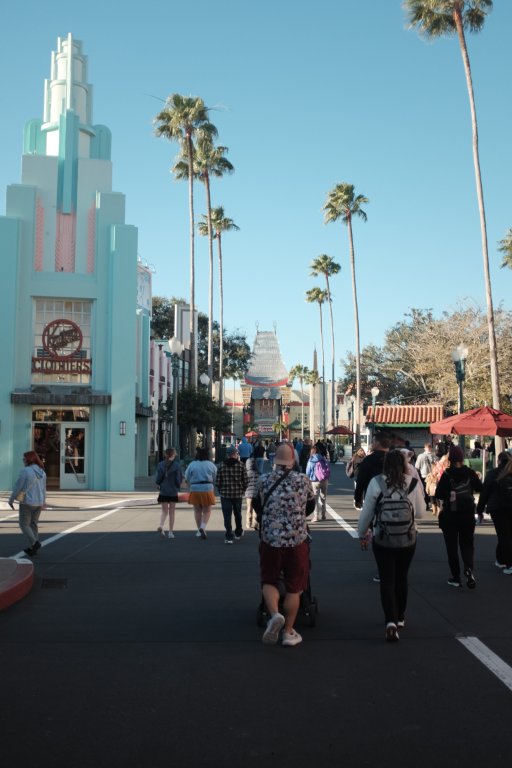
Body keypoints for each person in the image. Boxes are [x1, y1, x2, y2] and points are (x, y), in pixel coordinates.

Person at [358, 449, 426, 641]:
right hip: (407, 539)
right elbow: (420, 513)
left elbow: (367, 513)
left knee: (387, 579)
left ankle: (390, 621)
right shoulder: (412, 483)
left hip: (383, 538)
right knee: (401, 577)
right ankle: (401, 616)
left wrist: (361, 532)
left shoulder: (377, 482)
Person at [252, 442, 316, 647]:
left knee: (269, 580)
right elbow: (310, 506)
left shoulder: (263, 480)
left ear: (274, 460)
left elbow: (256, 505)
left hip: (271, 539)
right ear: (293, 460)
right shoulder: (303, 480)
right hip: (296, 540)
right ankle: (288, 632)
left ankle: (274, 615)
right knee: (295, 587)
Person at [435, 445, 483, 588]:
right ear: (462, 458)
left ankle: (456, 577)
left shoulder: (447, 474)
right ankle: (468, 569)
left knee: (452, 547)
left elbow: (438, 494)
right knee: (467, 544)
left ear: (450, 459)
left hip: (450, 515)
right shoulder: (469, 472)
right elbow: (480, 488)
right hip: (467, 514)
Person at [476, 452, 512, 573]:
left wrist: (479, 510)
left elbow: (484, 493)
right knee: (508, 535)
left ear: (499, 461)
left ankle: (509, 564)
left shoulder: (492, 473)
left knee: (503, 535)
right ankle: (501, 560)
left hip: (497, 508)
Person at [8, 450, 47, 557]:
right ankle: (33, 548)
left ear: (30, 459)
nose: (23, 460)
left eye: (24, 458)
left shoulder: (25, 471)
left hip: (27, 502)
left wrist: (11, 500)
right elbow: (44, 489)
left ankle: (35, 543)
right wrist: (43, 501)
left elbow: (18, 487)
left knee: (23, 524)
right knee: (33, 524)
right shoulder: (42, 472)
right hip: (38, 503)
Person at [216, 445, 248, 544]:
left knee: (227, 515)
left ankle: (229, 536)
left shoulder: (221, 465)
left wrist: (221, 490)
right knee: (238, 514)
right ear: (235, 454)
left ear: (227, 454)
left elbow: (218, 482)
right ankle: (238, 532)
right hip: (237, 494)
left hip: (225, 495)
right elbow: (246, 481)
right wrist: (242, 489)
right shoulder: (241, 465)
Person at [185, 447, 217, 539]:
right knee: (207, 510)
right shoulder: (211, 465)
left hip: (195, 488)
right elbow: (215, 477)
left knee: (197, 510)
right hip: (207, 488)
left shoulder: (192, 464)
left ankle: (199, 530)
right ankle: (203, 527)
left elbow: (187, 477)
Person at [354, 435, 391, 510]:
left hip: (372, 496)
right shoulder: (394, 459)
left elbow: (361, 480)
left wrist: (358, 499)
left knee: (366, 521)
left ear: (377, 443)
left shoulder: (368, 460)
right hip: (392, 498)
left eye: (373, 441)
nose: (371, 444)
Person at [155, 448, 183, 539]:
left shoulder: (160, 464)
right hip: (172, 491)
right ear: (173, 455)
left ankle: (161, 525)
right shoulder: (177, 466)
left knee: (164, 511)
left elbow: (158, 478)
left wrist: (159, 483)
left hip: (163, 490)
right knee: (172, 512)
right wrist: (178, 486)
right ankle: (171, 532)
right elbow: (178, 479)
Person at [306, 443, 330, 522]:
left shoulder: (311, 460)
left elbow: (308, 472)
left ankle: (316, 516)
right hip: (324, 480)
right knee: (323, 498)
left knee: (315, 499)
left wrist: (307, 480)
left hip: (315, 481)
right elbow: (327, 468)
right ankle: (323, 515)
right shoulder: (323, 458)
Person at [415, 443, 436, 507]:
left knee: (424, 490)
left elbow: (417, 466)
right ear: (431, 448)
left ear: (424, 448)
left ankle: (426, 504)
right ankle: (433, 505)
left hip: (424, 475)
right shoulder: (435, 456)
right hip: (433, 476)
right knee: (432, 490)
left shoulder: (420, 456)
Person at [245, 456, 260, 529]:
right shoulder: (258, 473)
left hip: (248, 494)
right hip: (256, 494)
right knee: (255, 509)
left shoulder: (246, 474)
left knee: (249, 509)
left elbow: (244, 483)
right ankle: (255, 523)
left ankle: (248, 524)